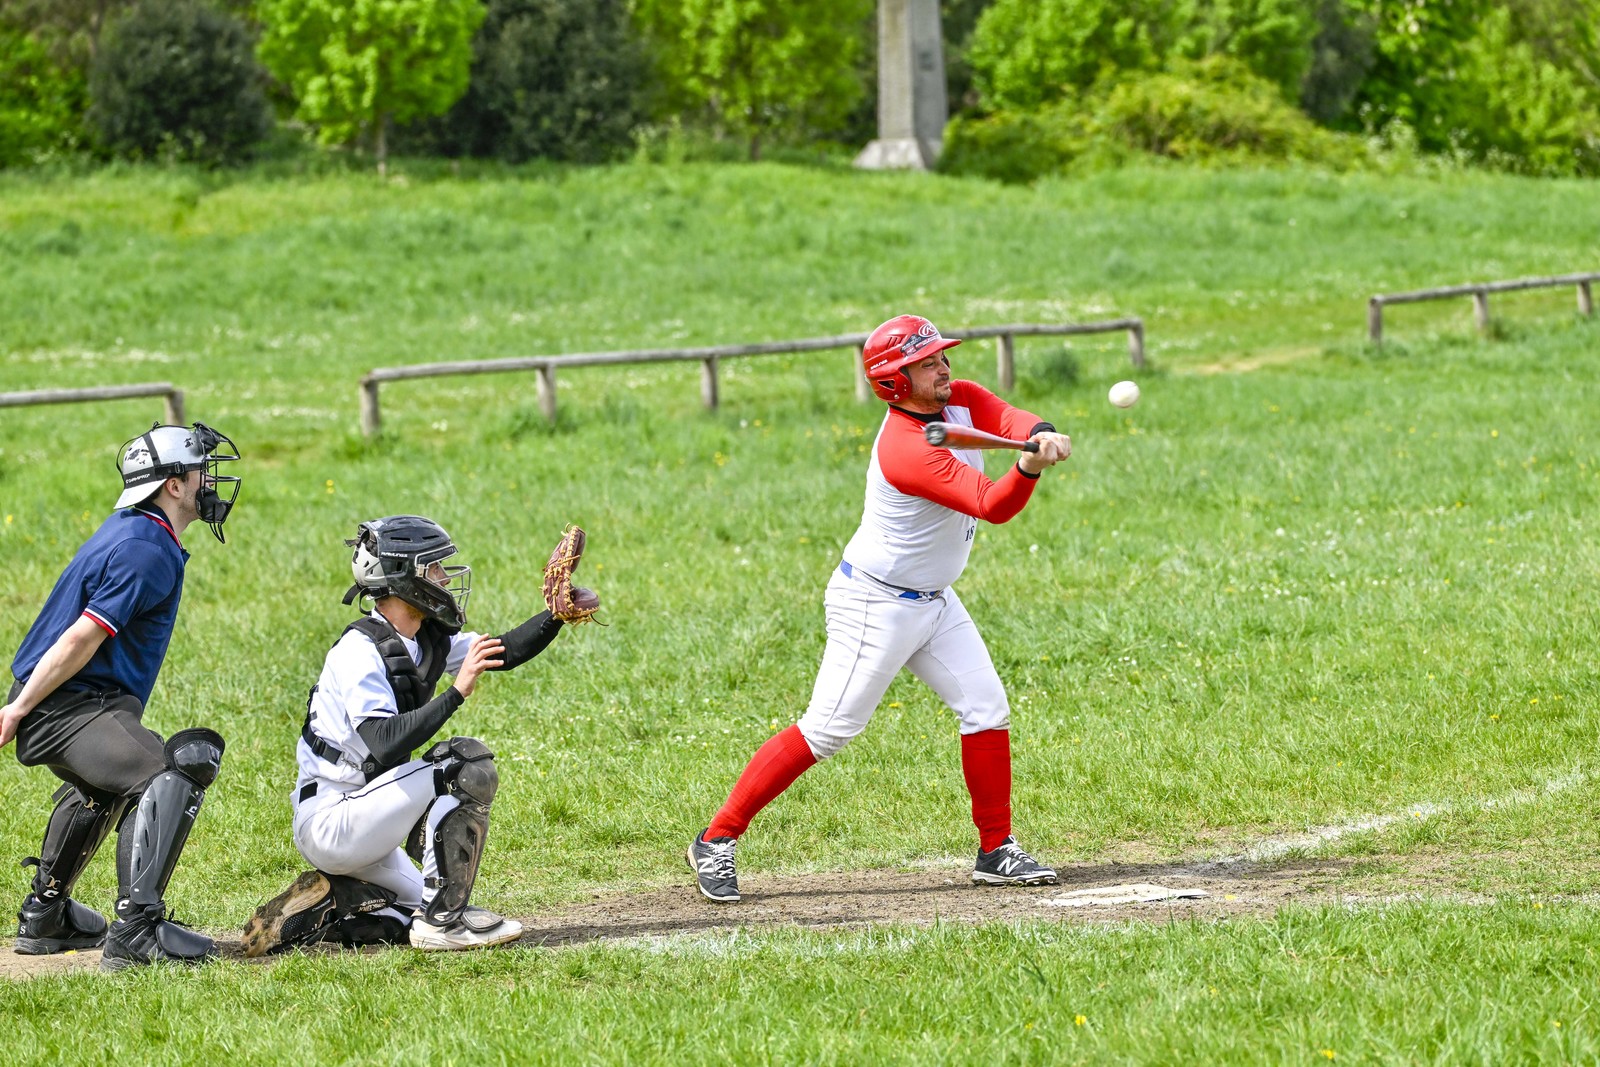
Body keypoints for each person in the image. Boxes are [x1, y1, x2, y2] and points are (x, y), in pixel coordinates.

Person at [687, 315, 1073, 902]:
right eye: (927, 363)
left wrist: (1039, 430)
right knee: (829, 729)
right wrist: (1029, 466)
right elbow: (992, 504)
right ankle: (716, 839)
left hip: (935, 601)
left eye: (942, 357)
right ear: (895, 380)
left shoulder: (958, 400)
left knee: (986, 708)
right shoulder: (905, 449)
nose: (944, 368)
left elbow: (1006, 415)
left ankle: (996, 849)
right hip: (877, 604)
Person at [242, 516, 599, 955]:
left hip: (371, 817)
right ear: (401, 579)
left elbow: (500, 652)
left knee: (411, 917)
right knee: (463, 764)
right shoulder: (359, 651)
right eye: (433, 569)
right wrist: (455, 694)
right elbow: (383, 741)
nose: (445, 578)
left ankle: (333, 905)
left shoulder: (421, 637)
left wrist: (555, 616)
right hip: (334, 821)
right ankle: (443, 926)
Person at [2, 422, 243, 968]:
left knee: (105, 781)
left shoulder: (139, 531)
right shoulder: (145, 548)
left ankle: (46, 915)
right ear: (172, 486)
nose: (209, 481)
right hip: (65, 705)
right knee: (170, 771)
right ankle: (137, 929)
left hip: (74, 701)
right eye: (199, 471)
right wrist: (17, 710)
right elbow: (81, 636)